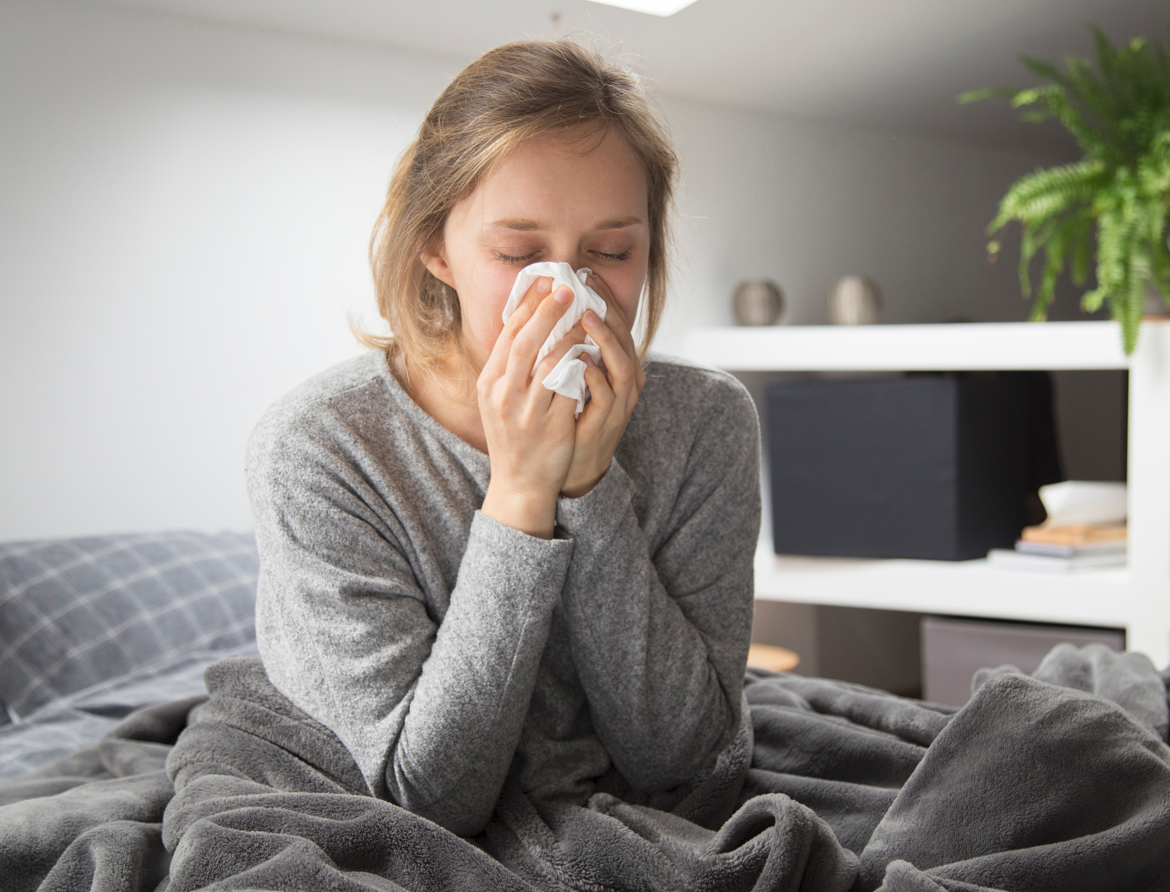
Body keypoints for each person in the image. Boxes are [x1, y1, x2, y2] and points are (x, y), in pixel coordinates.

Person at [245, 38, 761, 839]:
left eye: (612, 251)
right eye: (519, 252)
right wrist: (522, 493)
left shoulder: (705, 420)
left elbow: (686, 761)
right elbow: (429, 798)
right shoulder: (322, 448)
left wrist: (590, 492)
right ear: (433, 246)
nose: (570, 290)